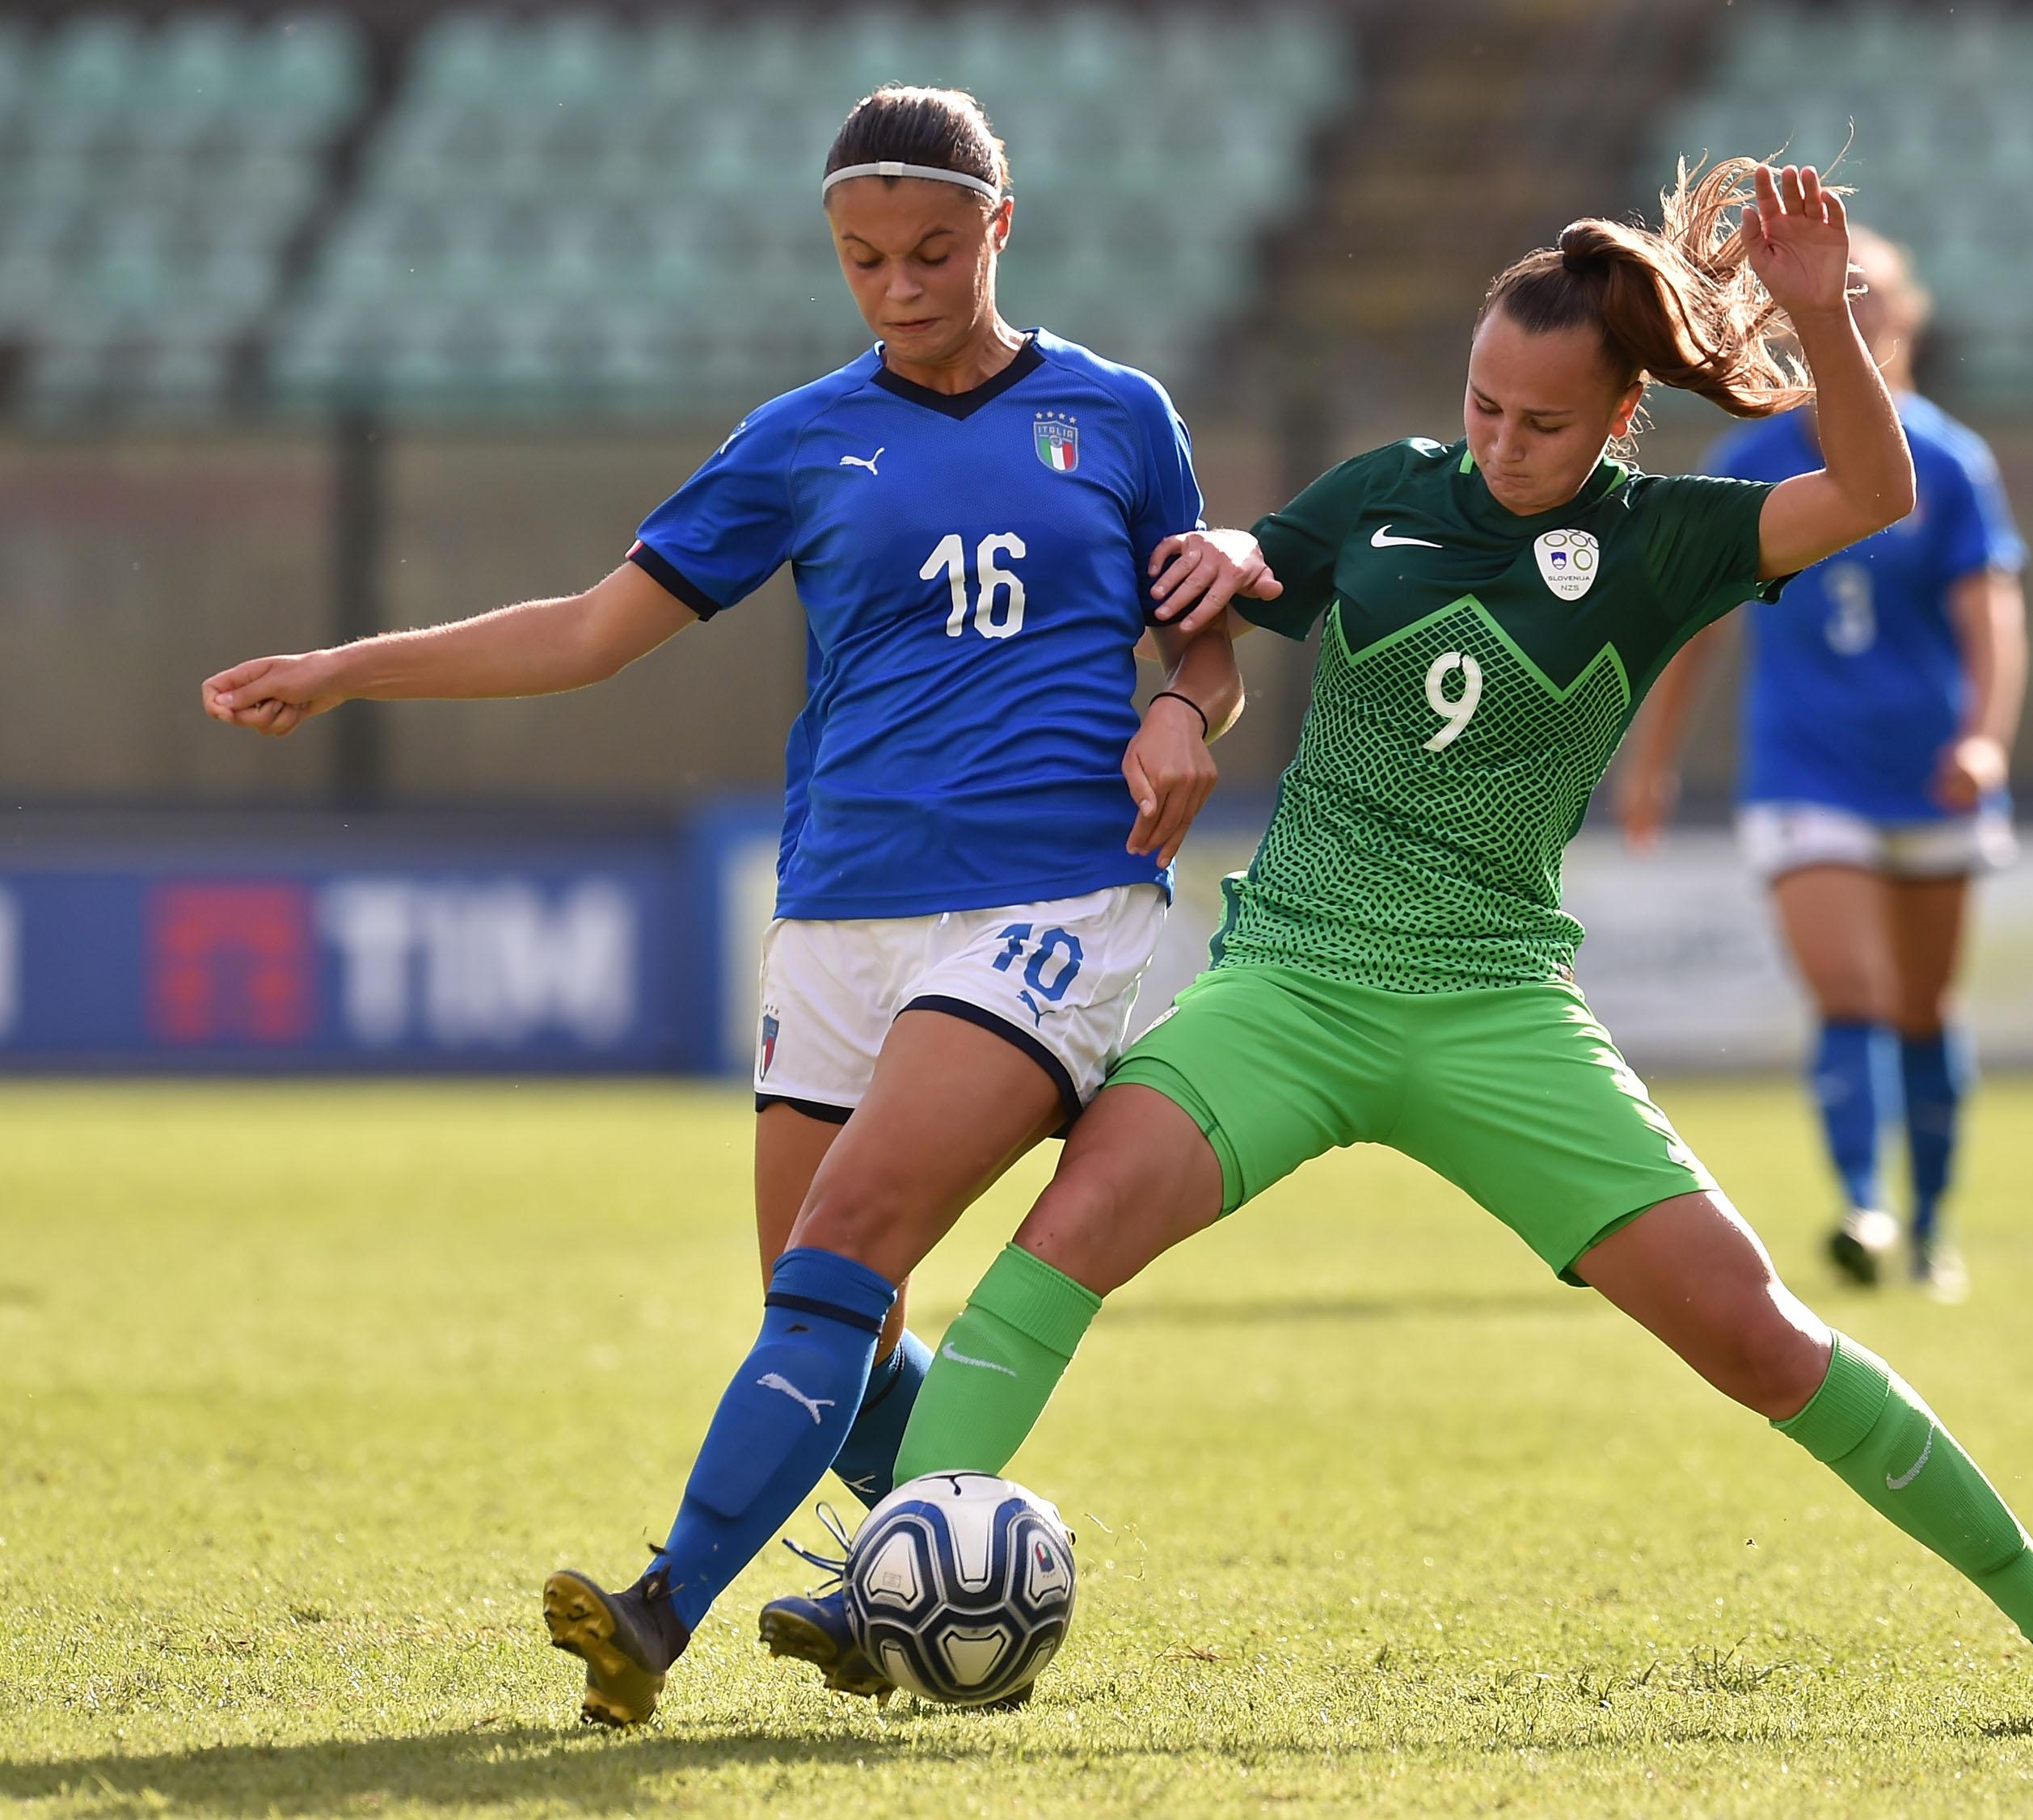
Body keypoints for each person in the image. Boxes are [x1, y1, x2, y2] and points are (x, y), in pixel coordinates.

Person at [815, 161, 2033, 1738]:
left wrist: (1822, 321)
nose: (1503, 441)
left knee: (1760, 1335)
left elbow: (1872, 492)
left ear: (1622, 421)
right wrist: (1211, 593)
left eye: (1544, 422)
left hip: (1498, 1010)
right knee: (1061, 1240)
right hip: (1288, 984)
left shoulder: (1663, 543)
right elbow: (1228, 583)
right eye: (1484, 405)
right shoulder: (1384, 491)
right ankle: (888, 1578)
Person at [200, 86, 1256, 1727]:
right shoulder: (801, 437)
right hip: (839, 908)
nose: (897, 286)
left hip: (1052, 894)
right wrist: (352, 668)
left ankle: (659, 1606)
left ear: (999, 225)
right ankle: (957, 1577)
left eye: (928, 251)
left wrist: (1191, 703)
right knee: (825, 1326)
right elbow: (585, 632)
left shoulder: (1119, 417)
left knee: (845, 1243)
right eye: (861, 260)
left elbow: (1202, 627)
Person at [1615, 226, 2027, 1300]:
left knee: (1925, 1007)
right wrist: (1649, 761)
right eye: (1838, 297)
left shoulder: (1950, 461)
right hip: (1804, 772)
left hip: (1930, 771)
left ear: (1909, 317)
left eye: (1876, 298)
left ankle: (1933, 1224)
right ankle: (1865, 1205)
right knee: (1852, 987)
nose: (1859, 313)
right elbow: (1692, 630)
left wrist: (1984, 737)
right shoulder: (1748, 463)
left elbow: (1993, 617)